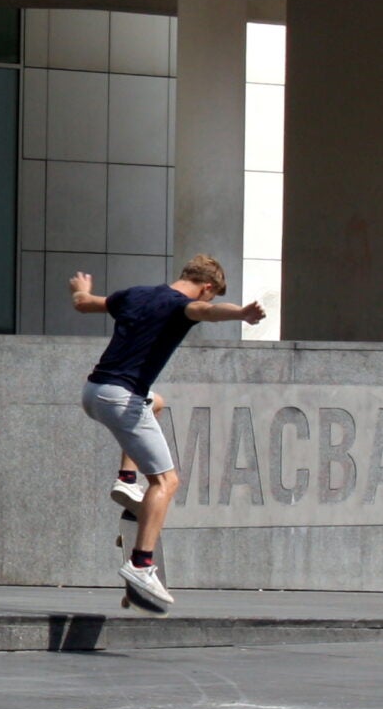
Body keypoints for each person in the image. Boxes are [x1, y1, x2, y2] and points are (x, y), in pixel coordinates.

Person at [68, 255, 267, 613]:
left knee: (155, 403)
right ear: (207, 287)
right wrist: (240, 314)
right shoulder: (183, 306)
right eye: (209, 295)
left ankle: (126, 479)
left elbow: (84, 304)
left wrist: (82, 289)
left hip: (94, 392)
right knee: (166, 482)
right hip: (120, 397)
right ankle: (141, 564)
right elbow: (207, 312)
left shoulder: (135, 294)